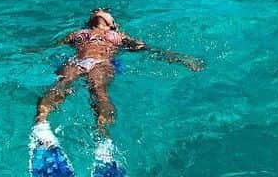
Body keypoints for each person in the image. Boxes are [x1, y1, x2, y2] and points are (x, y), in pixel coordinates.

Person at [32, 8, 204, 142]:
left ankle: (102, 133)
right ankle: (41, 122)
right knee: (62, 82)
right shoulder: (78, 34)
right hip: (77, 61)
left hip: (102, 63)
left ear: (113, 24)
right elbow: (49, 48)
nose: (99, 12)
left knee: (98, 90)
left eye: (106, 13)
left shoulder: (117, 36)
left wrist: (181, 58)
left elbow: (147, 49)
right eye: (96, 13)